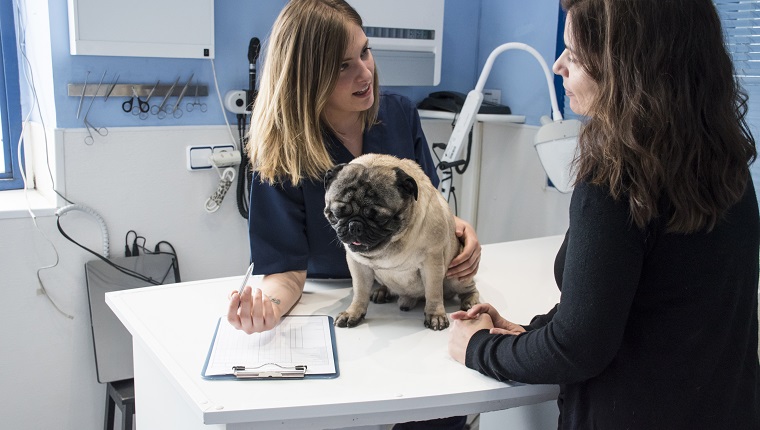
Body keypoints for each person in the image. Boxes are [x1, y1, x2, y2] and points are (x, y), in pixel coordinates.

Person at [448, 0, 760, 429]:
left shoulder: (618, 180)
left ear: (624, 68)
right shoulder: (725, 164)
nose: (559, 66)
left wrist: (476, 346)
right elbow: (644, 306)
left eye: (573, 56)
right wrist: (531, 332)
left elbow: (577, 349)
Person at [227, 1, 479, 428]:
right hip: (338, 307)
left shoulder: (399, 113)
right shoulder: (282, 153)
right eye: (343, 66)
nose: (365, 73)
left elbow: (431, 204)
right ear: (307, 77)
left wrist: (461, 230)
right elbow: (285, 272)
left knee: (440, 411)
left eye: (365, 52)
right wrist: (267, 308)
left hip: (413, 302)